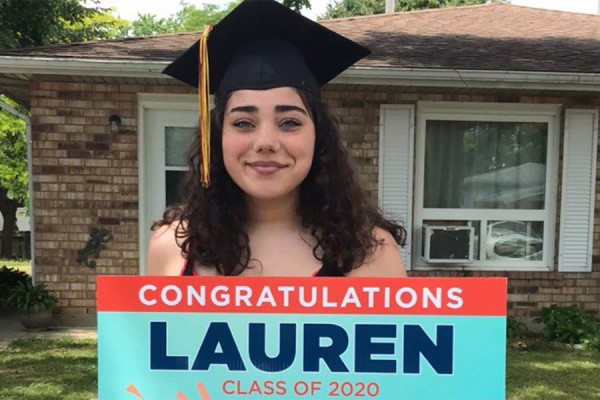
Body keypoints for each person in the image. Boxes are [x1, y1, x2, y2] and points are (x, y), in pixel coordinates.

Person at [147, 0, 407, 278]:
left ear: (318, 136)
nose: (266, 142)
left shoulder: (370, 254)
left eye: (290, 122)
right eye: (243, 123)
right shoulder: (172, 248)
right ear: (217, 136)